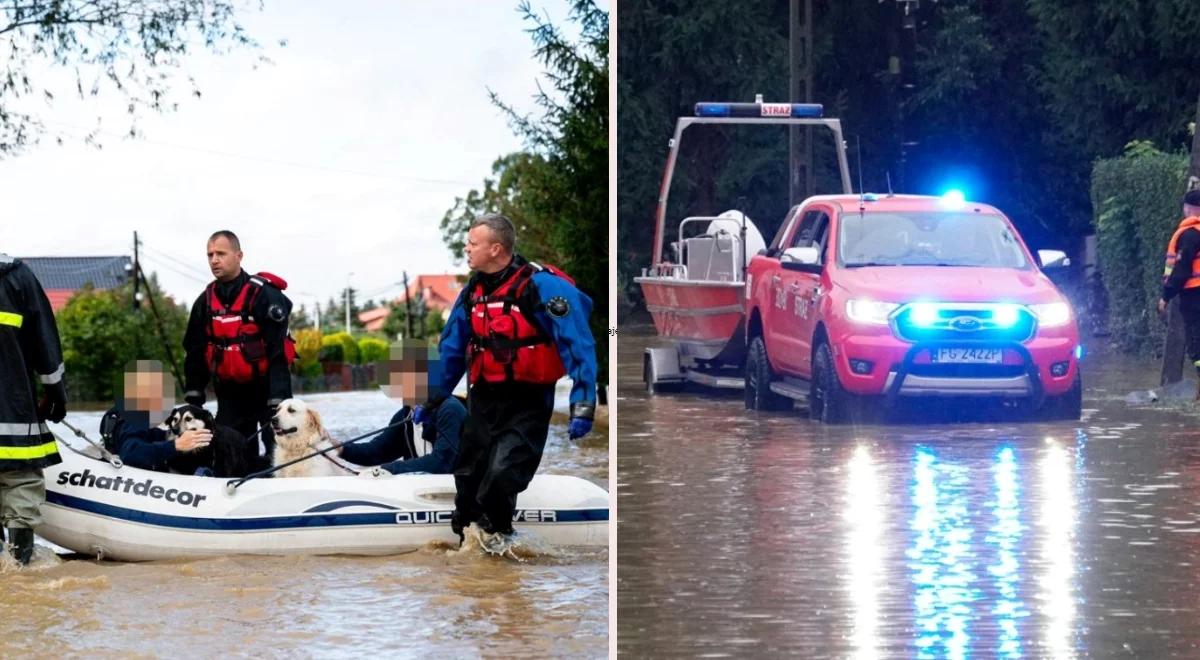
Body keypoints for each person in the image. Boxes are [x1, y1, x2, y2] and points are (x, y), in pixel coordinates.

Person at [422, 213, 598, 554]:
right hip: (484, 398)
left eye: (473, 243)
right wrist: (429, 402)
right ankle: (473, 560)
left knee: (503, 471)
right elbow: (451, 352)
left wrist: (584, 402)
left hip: (528, 400)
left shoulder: (543, 287)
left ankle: (501, 545)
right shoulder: (471, 293)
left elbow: (578, 342)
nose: (466, 248)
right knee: (468, 476)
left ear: (495, 248)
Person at [183, 230, 295, 469]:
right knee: (231, 452)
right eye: (210, 255)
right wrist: (194, 395)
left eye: (220, 253)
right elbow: (194, 351)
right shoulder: (205, 301)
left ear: (238, 255)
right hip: (231, 394)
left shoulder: (264, 294)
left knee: (278, 452)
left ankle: (280, 485)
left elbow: (277, 352)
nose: (214, 260)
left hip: (267, 390)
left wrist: (279, 400)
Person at [0, 253, 68, 565]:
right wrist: (55, 394)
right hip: (13, 412)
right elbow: (45, 341)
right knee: (21, 485)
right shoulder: (18, 277)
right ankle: (20, 569)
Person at [339, 341, 466, 474]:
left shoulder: (450, 410)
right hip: (422, 489)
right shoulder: (405, 415)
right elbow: (376, 451)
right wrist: (340, 448)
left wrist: (388, 469)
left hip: (456, 489)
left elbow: (442, 463)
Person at [102, 361, 214, 473]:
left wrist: (168, 435)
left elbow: (144, 435)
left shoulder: (117, 414)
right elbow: (130, 452)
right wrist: (175, 445)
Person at [1159, 189, 1200, 398]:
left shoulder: (1190, 235)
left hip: (1194, 297)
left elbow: (1182, 269)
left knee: (1196, 344)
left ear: (1189, 208)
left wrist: (1165, 296)